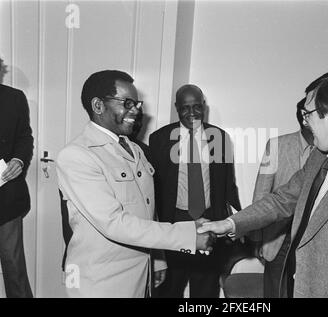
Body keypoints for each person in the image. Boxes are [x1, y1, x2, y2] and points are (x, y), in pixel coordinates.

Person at [199, 71, 328, 297]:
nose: (305, 121)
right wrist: (230, 223)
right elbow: (282, 200)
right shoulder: (320, 158)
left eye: (308, 113)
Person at [56, 70, 214, 297]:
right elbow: (114, 223)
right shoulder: (77, 156)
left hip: (140, 273)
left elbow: (147, 209)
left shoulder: (135, 148)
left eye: (137, 103)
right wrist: (189, 236)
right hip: (102, 280)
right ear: (98, 106)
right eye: (127, 103)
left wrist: (157, 260)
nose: (137, 110)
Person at [147, 84, 241, 298]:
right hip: (174, 223)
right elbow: (153, 186)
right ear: (176, 108)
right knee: (169, 289)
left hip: (209, 222)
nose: (192, 113)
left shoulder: (219, 137)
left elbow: (228, 183)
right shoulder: (159, 139)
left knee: (206, 290)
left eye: (197, 107)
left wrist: (235, 222)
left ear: (204, 107)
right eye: (185, 108)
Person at [248, 98, 313, 298]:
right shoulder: (276, 145)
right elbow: (261, 194)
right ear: (305, 117)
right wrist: (257, 237)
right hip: (279, 237)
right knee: (275, 292)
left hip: (313, 239)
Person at [0, 78, 34, 298]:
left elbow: (25, 137)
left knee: (14, 266)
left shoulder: (15, 97)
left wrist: (19, 160)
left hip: (6, 198)